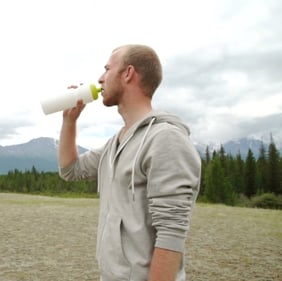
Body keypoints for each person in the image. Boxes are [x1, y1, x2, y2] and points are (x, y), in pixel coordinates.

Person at [58, 44, 201, 281]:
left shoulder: (165, 139)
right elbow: (70, 170)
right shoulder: (115, 144)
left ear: (128, 73)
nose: (100, 78)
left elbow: (171, 233)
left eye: (106, 69)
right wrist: (69, 122)